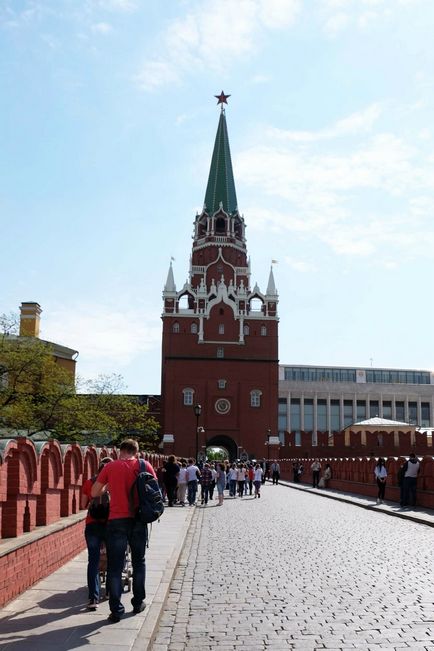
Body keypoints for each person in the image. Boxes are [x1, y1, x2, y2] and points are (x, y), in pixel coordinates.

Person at [91, 439, 157, 623]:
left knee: (115, 566)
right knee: (139, 562)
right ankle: (138, 603)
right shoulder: (145, 465)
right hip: (138, 520)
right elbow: (154, 491)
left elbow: (95, 493)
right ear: (136, 451)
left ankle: (116, 610)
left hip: (117, 520)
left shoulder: (111, 467)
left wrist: (109, 486)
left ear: (120, 451)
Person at [81, 457, 112, 610]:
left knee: (93, 561)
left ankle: (93, 598)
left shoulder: (90, 482)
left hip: (92, 525)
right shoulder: (114, 483)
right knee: (113, 558)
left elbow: (82, 504)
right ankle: (110, 592)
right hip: (110, 525)